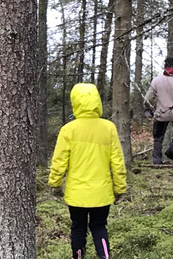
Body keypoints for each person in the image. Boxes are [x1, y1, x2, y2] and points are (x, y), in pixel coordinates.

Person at [49, 83, 127, 259]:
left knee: (78, 229)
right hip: (102, 192)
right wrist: (120, 188)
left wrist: (55, 184)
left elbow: (59, 161)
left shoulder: (68, 130)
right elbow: (117, 162)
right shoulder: (109, 128)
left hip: (76, 194)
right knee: (99, 227)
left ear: (75, 102)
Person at [144, 56, 173, 164]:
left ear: (164, 67)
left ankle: (157, 161)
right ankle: (171, 150)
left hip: (161, 114)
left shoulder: (156, 80)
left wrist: (149, 110)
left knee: (158, 137)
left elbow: (147, 99)